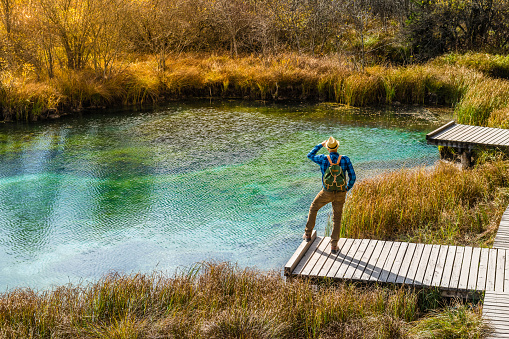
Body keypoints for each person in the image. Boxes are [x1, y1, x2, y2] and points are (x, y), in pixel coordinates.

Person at [304, 136, 356, 254]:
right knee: (336, 218)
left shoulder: (323, 158)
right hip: (341, 193)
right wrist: (346, 188)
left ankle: (307, 234)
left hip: (326, 192)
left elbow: (310, 155)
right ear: (337, 147)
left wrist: (320, 145)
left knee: (313, 208)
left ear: (328, 148)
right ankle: (333, 246)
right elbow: (353, 176)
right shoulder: (345, 159)